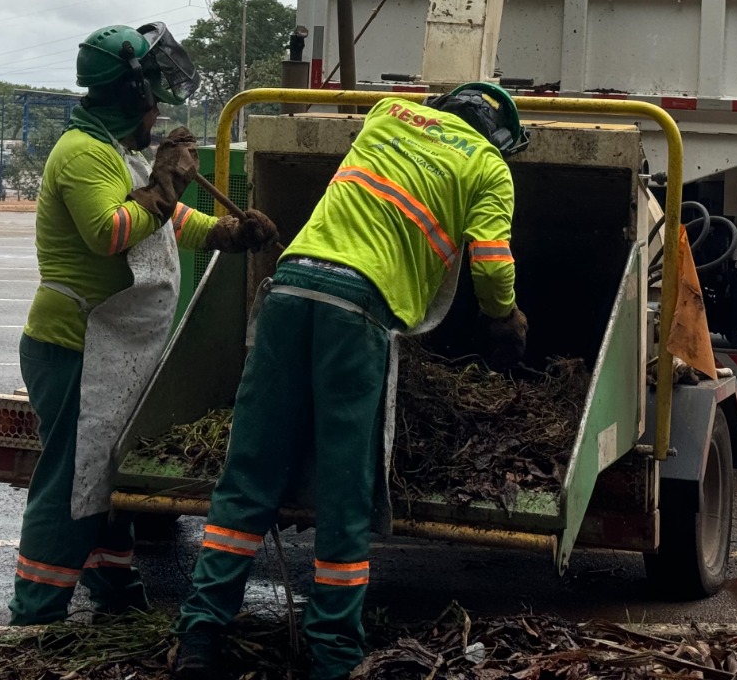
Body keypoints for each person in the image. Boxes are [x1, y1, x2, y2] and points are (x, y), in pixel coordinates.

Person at [173, 82, 531, 679]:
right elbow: (491, 264)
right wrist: (506, 320)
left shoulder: (388, 114)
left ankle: (200, 637)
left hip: (287, 290)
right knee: (344, 489)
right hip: (356, 311)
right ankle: (334, 654)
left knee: (247, 475)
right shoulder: (490, 169)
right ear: (498, 137)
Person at [10, 22, 276, 626]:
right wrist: (163, 183)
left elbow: (170, 219)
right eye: (153, 94)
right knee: (71, 479)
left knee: (108, 472)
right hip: (74, 344)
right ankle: (36, 611)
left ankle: (115, 590)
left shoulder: (119, 150)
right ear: (131, 92)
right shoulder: (81, 155)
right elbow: (110, 232)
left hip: (110, 346)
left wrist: (228, 234)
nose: (159, 107)